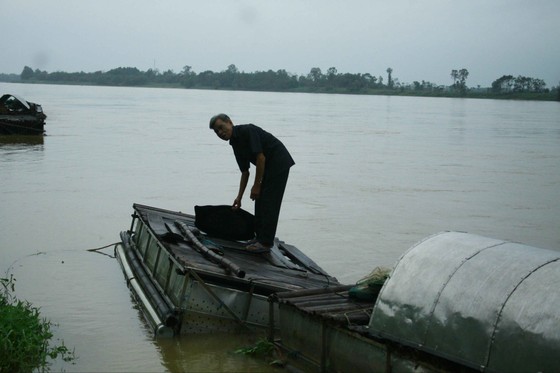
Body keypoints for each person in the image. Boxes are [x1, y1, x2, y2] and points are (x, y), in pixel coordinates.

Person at [209, 113, 295, 253]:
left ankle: (265, 243)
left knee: (269, 202)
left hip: (279, 162)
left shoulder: (247, 131)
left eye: (221, 127)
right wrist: (239, 197)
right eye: (216, 131)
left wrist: (257, 185)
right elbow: (245, 172)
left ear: (230, 122)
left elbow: (260, 158)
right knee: (259, 200)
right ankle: (260, 237)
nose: (220, 132)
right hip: (268, 167)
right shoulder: (235, 144)